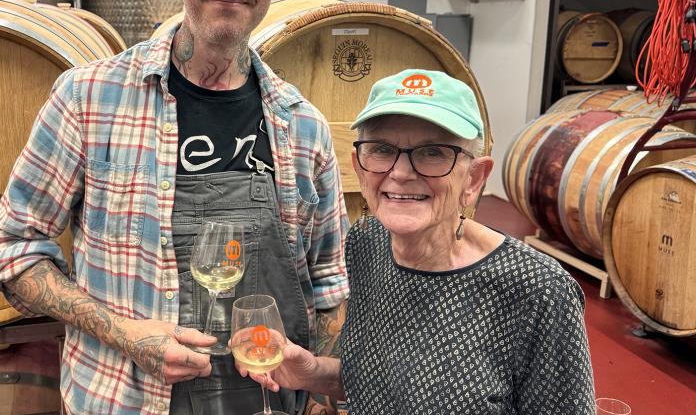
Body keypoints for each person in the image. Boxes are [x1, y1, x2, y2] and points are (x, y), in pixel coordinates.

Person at [0, 0, 349, 415]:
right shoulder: (89, 100)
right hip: (126, 401)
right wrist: (127, 334)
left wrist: (321, 397)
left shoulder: (304, 126)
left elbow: (328, 286)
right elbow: (8, 246)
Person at [242, 69, 596, 414]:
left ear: (474, 178)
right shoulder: (368, 244)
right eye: (382, 149)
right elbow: (381, 384)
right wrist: (313, 371)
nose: (400, 172)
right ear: (359, 167)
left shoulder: (538, 291)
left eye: (433, 152)